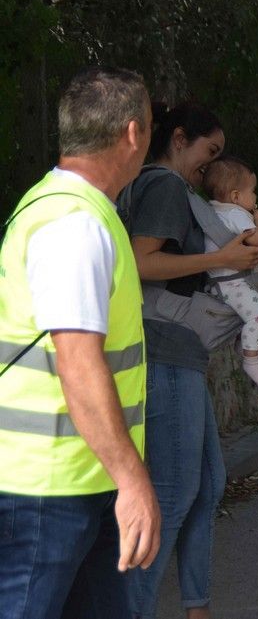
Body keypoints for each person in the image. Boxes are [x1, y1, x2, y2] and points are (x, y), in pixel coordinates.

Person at [0, 66, 161, 619]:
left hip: (73, 481)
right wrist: (133, 480)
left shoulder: (64, 208)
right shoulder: (76, 224)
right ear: (134, 134)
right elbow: (78, 361)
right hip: (47, 490)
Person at [121, 103, 258, 619]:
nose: (211, 168)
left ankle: (196, 608)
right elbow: (141, 261)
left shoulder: (173, 189)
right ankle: (132, 610)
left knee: (206, 485)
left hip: (183, 355)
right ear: (179, 139)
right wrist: (220, 260)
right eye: (209, 153)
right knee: (174, 493)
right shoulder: (162, 185)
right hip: (163, 353)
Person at [201, 156, 258, 388]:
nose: (255, 198)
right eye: (253, 192)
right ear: (235, 196)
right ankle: (252, 360)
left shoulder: (209, 210)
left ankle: (245, 345)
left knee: (245, 316)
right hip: (233, 283)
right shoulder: (236, 214)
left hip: (216, 282)